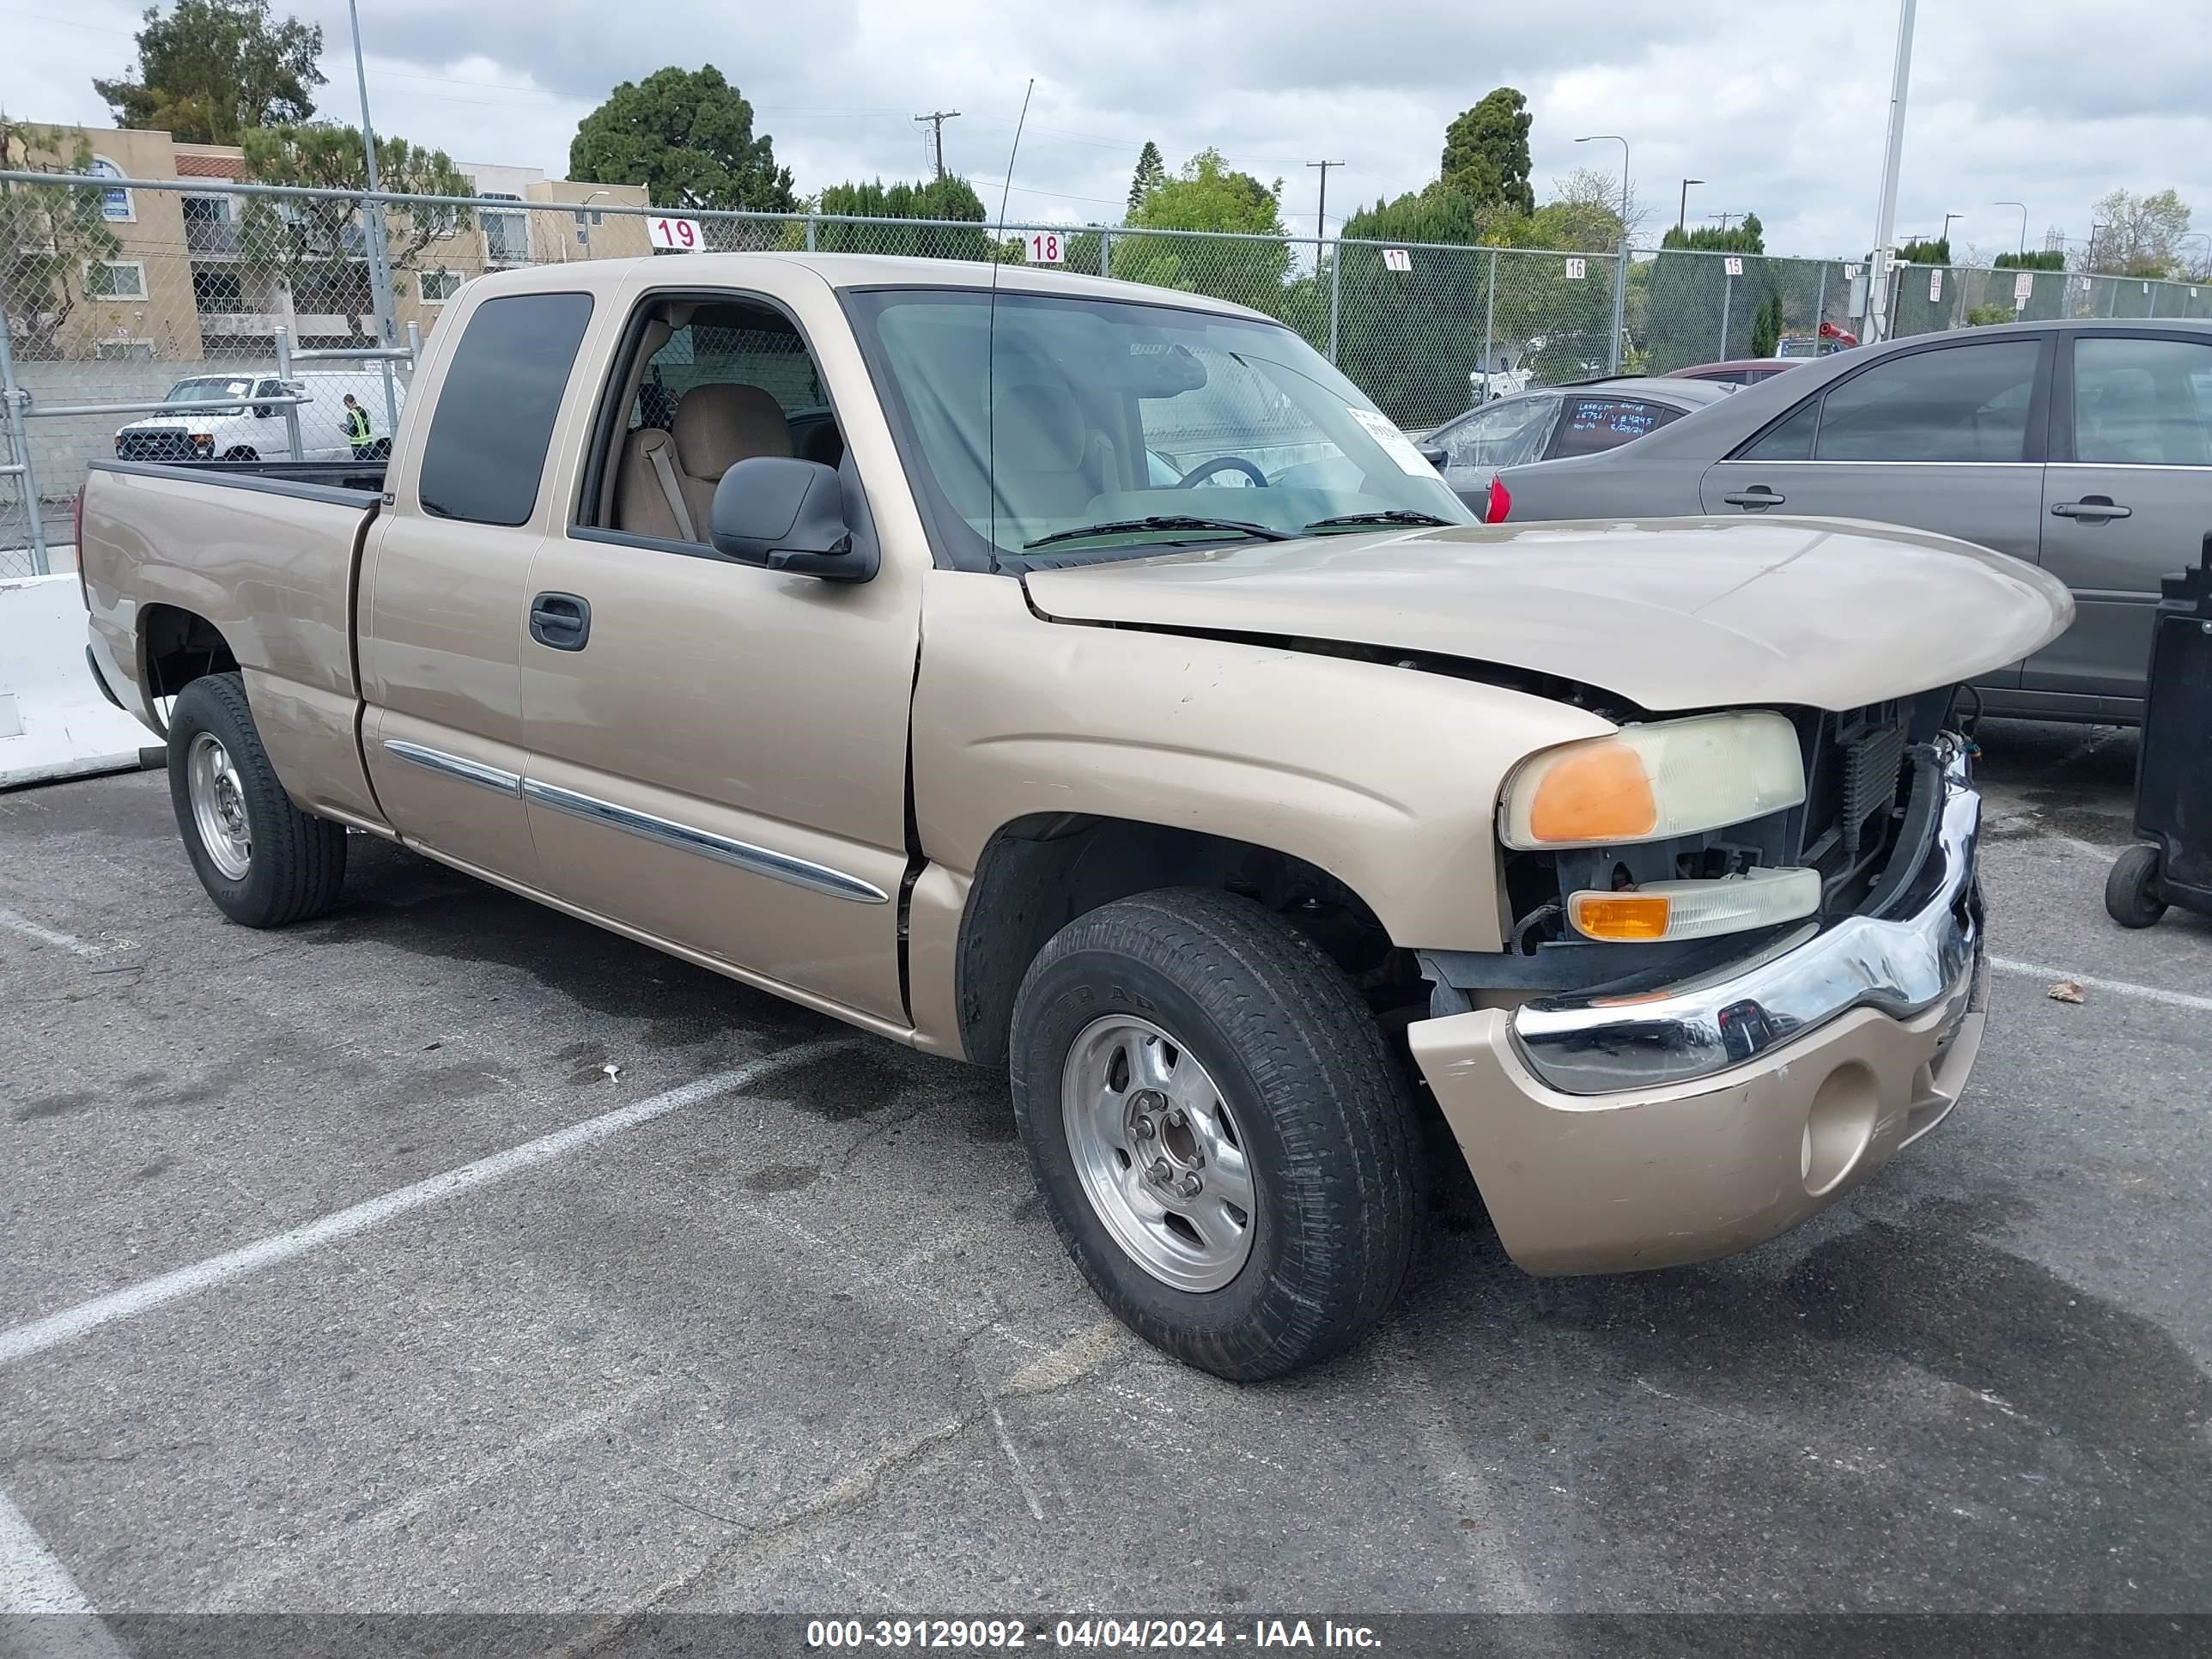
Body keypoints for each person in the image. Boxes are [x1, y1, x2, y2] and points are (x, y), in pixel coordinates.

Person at [342, 394, 374, 459]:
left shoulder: (351, 414)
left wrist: (344, 430)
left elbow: (352, 431)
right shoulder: (365, 410)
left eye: (345, 404)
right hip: (369, 444)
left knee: (361, 465)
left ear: (348, 402)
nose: (345, 406)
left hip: (358, 446)